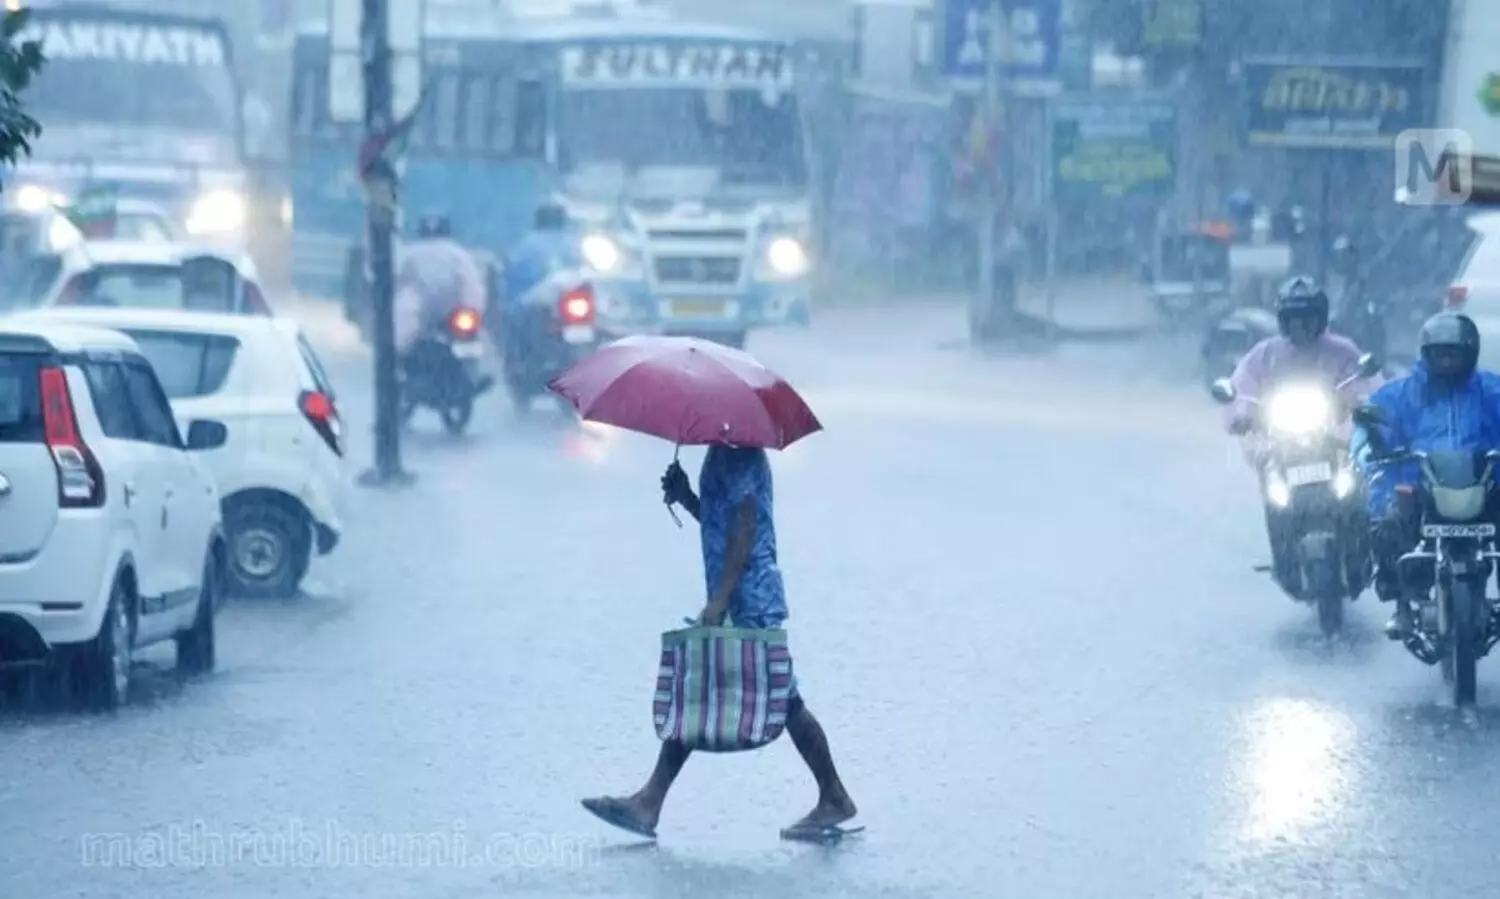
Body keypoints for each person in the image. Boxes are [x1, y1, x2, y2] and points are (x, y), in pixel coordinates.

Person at [580, 446, 858, 839]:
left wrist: (720, 599)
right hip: (735, 593)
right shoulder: (721, 451)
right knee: (709, 691)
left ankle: (834, 796)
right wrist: (687, 496)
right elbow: (722, 524)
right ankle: (650, 801)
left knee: (774, 699)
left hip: (750, 597)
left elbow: (744, 526)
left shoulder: (740, 452)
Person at [1352, 312, 1500, 639]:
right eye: (1440, 353)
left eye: (1454, 353)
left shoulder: (1491, 390)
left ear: (1470, 353)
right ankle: (1403, 605)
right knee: (1388, 522)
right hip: (1419, 483)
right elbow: (1367, 430)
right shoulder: (1401, 393)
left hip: (1484, 482)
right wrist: (1369, 451)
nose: (1447, 361)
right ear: (1426, 354)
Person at [1226, 276, 1380, 588]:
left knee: (1360, 488)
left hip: (1334, 439)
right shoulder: (1266, 354)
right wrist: (1242, 414)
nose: (1301, 325)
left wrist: (1365, 407)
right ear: (1283, 321)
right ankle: (1284, 559)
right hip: (1282, 442)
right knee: (1274, 494)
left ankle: (1363, 551)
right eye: (1294, 319)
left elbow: (1365, 382)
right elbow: (1244, 387)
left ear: (1321, 318)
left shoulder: (1342, 351)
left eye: (1307, 318)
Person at [393, 211, 486, 352]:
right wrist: (474, 312)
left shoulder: (408, 255)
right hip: (453, 320)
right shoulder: (459, 255)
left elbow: (398, 287)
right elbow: (473, 289)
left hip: (418, 323)